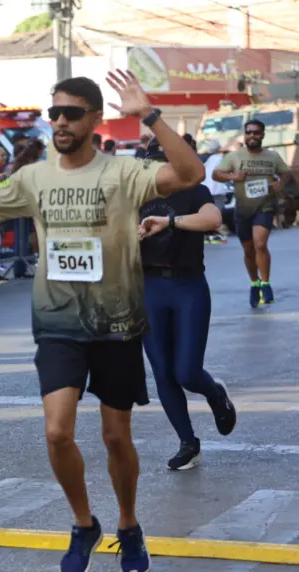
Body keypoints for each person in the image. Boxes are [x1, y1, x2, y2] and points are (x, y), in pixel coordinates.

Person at [0, 71, 205, 572]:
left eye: (71, 113)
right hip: (58, 323)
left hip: (116, 323)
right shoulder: (33, 178)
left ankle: (128, 525)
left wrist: (148, 114)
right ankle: (84, 523)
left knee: (115, 438)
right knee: (57, 433)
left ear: (94, 118)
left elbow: (191, 174)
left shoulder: (124, 172)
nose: (60, 122)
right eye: (54, 113)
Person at [138, 138, 237, 471]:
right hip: (149, 287)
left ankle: (214, 393)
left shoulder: (193, 191)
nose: (157, 171)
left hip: (188, 286)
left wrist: (170, 222)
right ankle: (187, 442)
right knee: (163, 372)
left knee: (186, 371)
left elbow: (212, 220)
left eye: (163, 163)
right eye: (151, 163)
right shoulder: (135, 196)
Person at [213, 119, 293, 308]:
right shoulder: (234, 157)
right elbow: (216, 174)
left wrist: (280, 183)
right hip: (243, 209)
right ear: (244, 134)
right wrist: (234, 176)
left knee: (260, 243)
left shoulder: (272, 156)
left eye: (256, 133)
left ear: (263, 135)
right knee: (248, 250)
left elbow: (286, 172)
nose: (252, 136)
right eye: (249, 132)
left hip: (265, 206)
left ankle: (265, 284)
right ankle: (254, 283)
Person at [200, 139, 229, 244]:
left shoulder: (203, 159)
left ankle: (208, 237)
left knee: (208, 214)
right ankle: (215, 237)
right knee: (217, 214)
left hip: (206, 190)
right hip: (218, 190)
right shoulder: (219, 159)